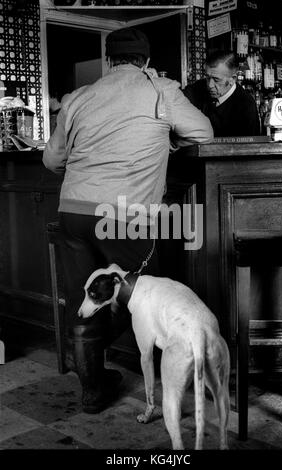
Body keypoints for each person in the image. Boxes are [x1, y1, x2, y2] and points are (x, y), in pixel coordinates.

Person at [43, 27, 213, 414]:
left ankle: (92, 389)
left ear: (108, 60)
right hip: (125, 215)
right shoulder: (160, 90)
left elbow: (52, 160)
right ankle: (164, 381)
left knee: (84, 298)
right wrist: (166, 140)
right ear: (147, 62)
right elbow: (204, 131)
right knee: (141, 296)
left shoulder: (79, 97)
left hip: (73, 211)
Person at [183, 50, 260, 137]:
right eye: (207, 78)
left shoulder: (246, 104)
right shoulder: (197, 88)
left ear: (233, 79)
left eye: (216, 80)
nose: (210, 85)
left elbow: (250, 146)